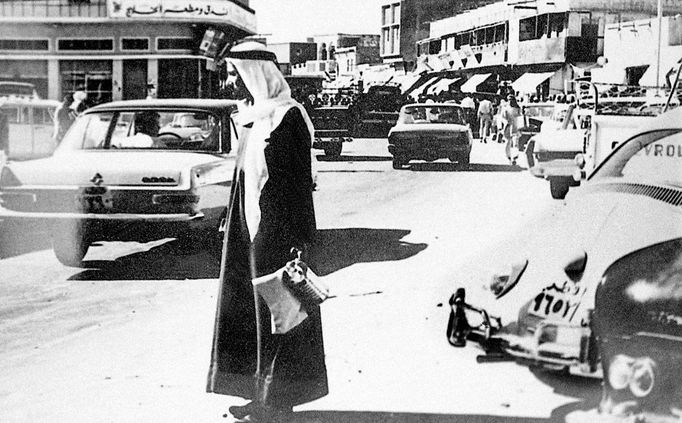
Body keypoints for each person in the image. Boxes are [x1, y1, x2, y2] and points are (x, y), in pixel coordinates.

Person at [206, 41, 327, 422]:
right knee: (249, 313)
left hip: (276, 233)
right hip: (247, 231)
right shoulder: (255, 118)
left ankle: (279, 399)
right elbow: (246, 180)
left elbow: (297, 185)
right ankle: (257, 393)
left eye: (234, 74)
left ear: (255, 75)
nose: (230, 83)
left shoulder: (288, 119)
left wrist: (299, 240)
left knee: (280, 313)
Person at [502, 94, 521, 164]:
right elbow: (503, 117)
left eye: (511, 100)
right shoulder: (506, 108)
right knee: (508, 142)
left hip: (516, 126)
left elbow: (520, 116)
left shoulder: (517, 108)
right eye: (509, 100)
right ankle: (509, 157)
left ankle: (514, 157)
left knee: (515, 142)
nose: (510, 101)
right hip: (508, 126)